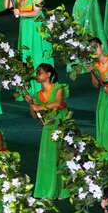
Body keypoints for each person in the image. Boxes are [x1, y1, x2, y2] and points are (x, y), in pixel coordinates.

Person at [28, 64, 68, 200]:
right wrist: (31, 105)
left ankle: (63, 190)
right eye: (37, 73)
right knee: (49, 156)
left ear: (49, 74)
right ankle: (49, 190)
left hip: (60, 122)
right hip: (48, 126)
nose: (37, 74)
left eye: (40, 72)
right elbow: (34, 116)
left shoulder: (58, 88)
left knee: (62, 155)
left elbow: (57, 103)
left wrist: (39, 106)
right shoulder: (36, 95)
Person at [8, 0, 53, 96]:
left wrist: (20, 13)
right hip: (25, 28)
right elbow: (7, 4)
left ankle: (44, 85)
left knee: (38, 53)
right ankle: (29, 87)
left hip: (37, 27)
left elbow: (36, 12)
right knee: (26, 55)